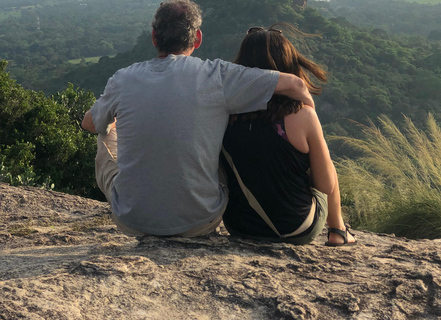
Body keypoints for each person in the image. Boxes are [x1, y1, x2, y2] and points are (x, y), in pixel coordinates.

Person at [81, 0, 315, 237]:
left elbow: (89, 123)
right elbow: (295, 85)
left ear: (153, 37)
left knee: (106, 132)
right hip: (201, 221)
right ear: (198, 38)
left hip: (133, 220)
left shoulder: (123, 79)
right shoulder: (217, 75)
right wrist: (311, 120)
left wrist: (114, 122)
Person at [221, 24, 356, 246]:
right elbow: (324, 185)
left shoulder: (226, 112)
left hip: (239, 225)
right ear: (289, 63)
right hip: (296, 228)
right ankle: (338, 230)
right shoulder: (302, 114)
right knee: (325, 162)